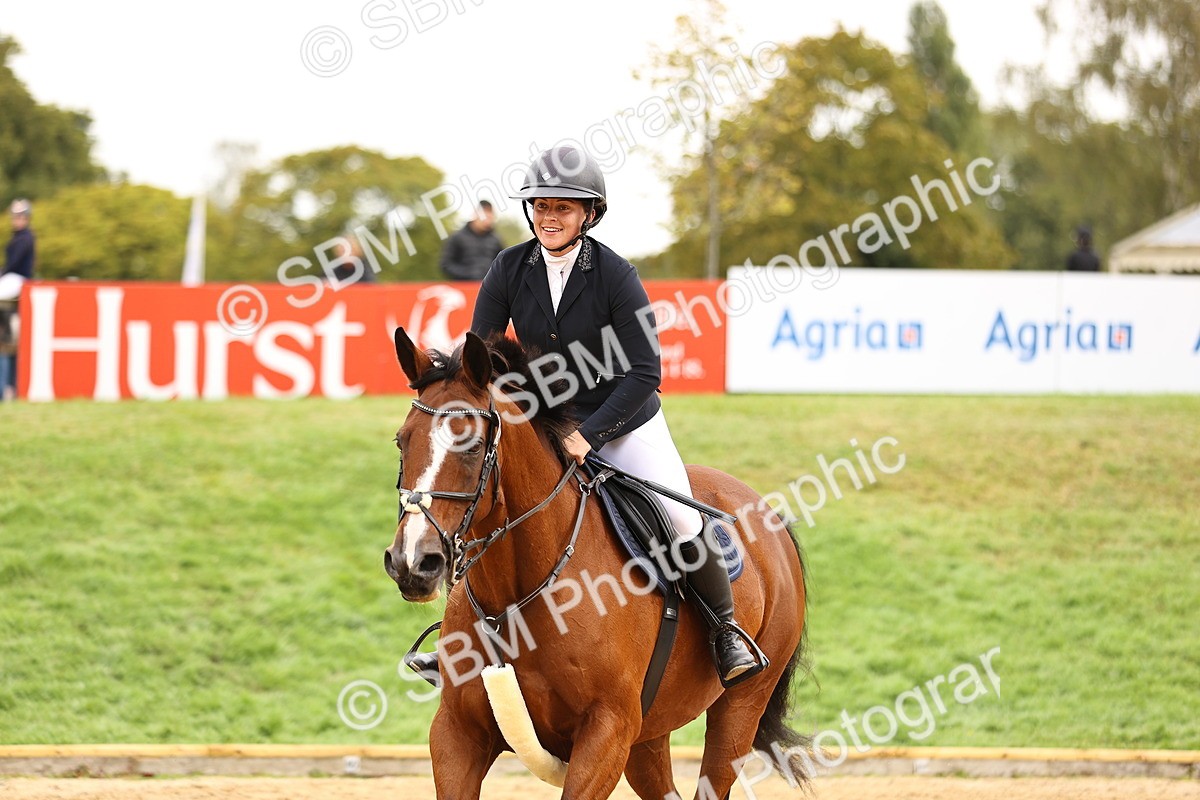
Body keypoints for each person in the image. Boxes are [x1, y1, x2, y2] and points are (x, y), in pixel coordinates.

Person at [412, 146, 764, 687]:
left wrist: (591, 435)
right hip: (543, 422)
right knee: (483, 508)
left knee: (683, 519)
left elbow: (645, 372)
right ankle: (456, 642)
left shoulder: (615, 275)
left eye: (563, 208)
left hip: (622, 418)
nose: (549, 217)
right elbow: (479, 354)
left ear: (589, 214)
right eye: (541, 207)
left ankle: (725, 631)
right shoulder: (508, 267)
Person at [0, 199, 35, 401]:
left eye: (21, 216)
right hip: (12, 278)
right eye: (15, 216)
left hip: (19, 279)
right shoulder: (17, 238)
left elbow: (13, 265)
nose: (18, 220)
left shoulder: (26, 238)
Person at [439, 200, 503, 281]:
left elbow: (503, 265)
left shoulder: (496, 240)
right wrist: (469, 273)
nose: (487, 220)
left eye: (490, 216)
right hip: (463, 288)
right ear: (475, 214)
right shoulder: (457, 237)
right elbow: (446, 265)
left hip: (489, 288)